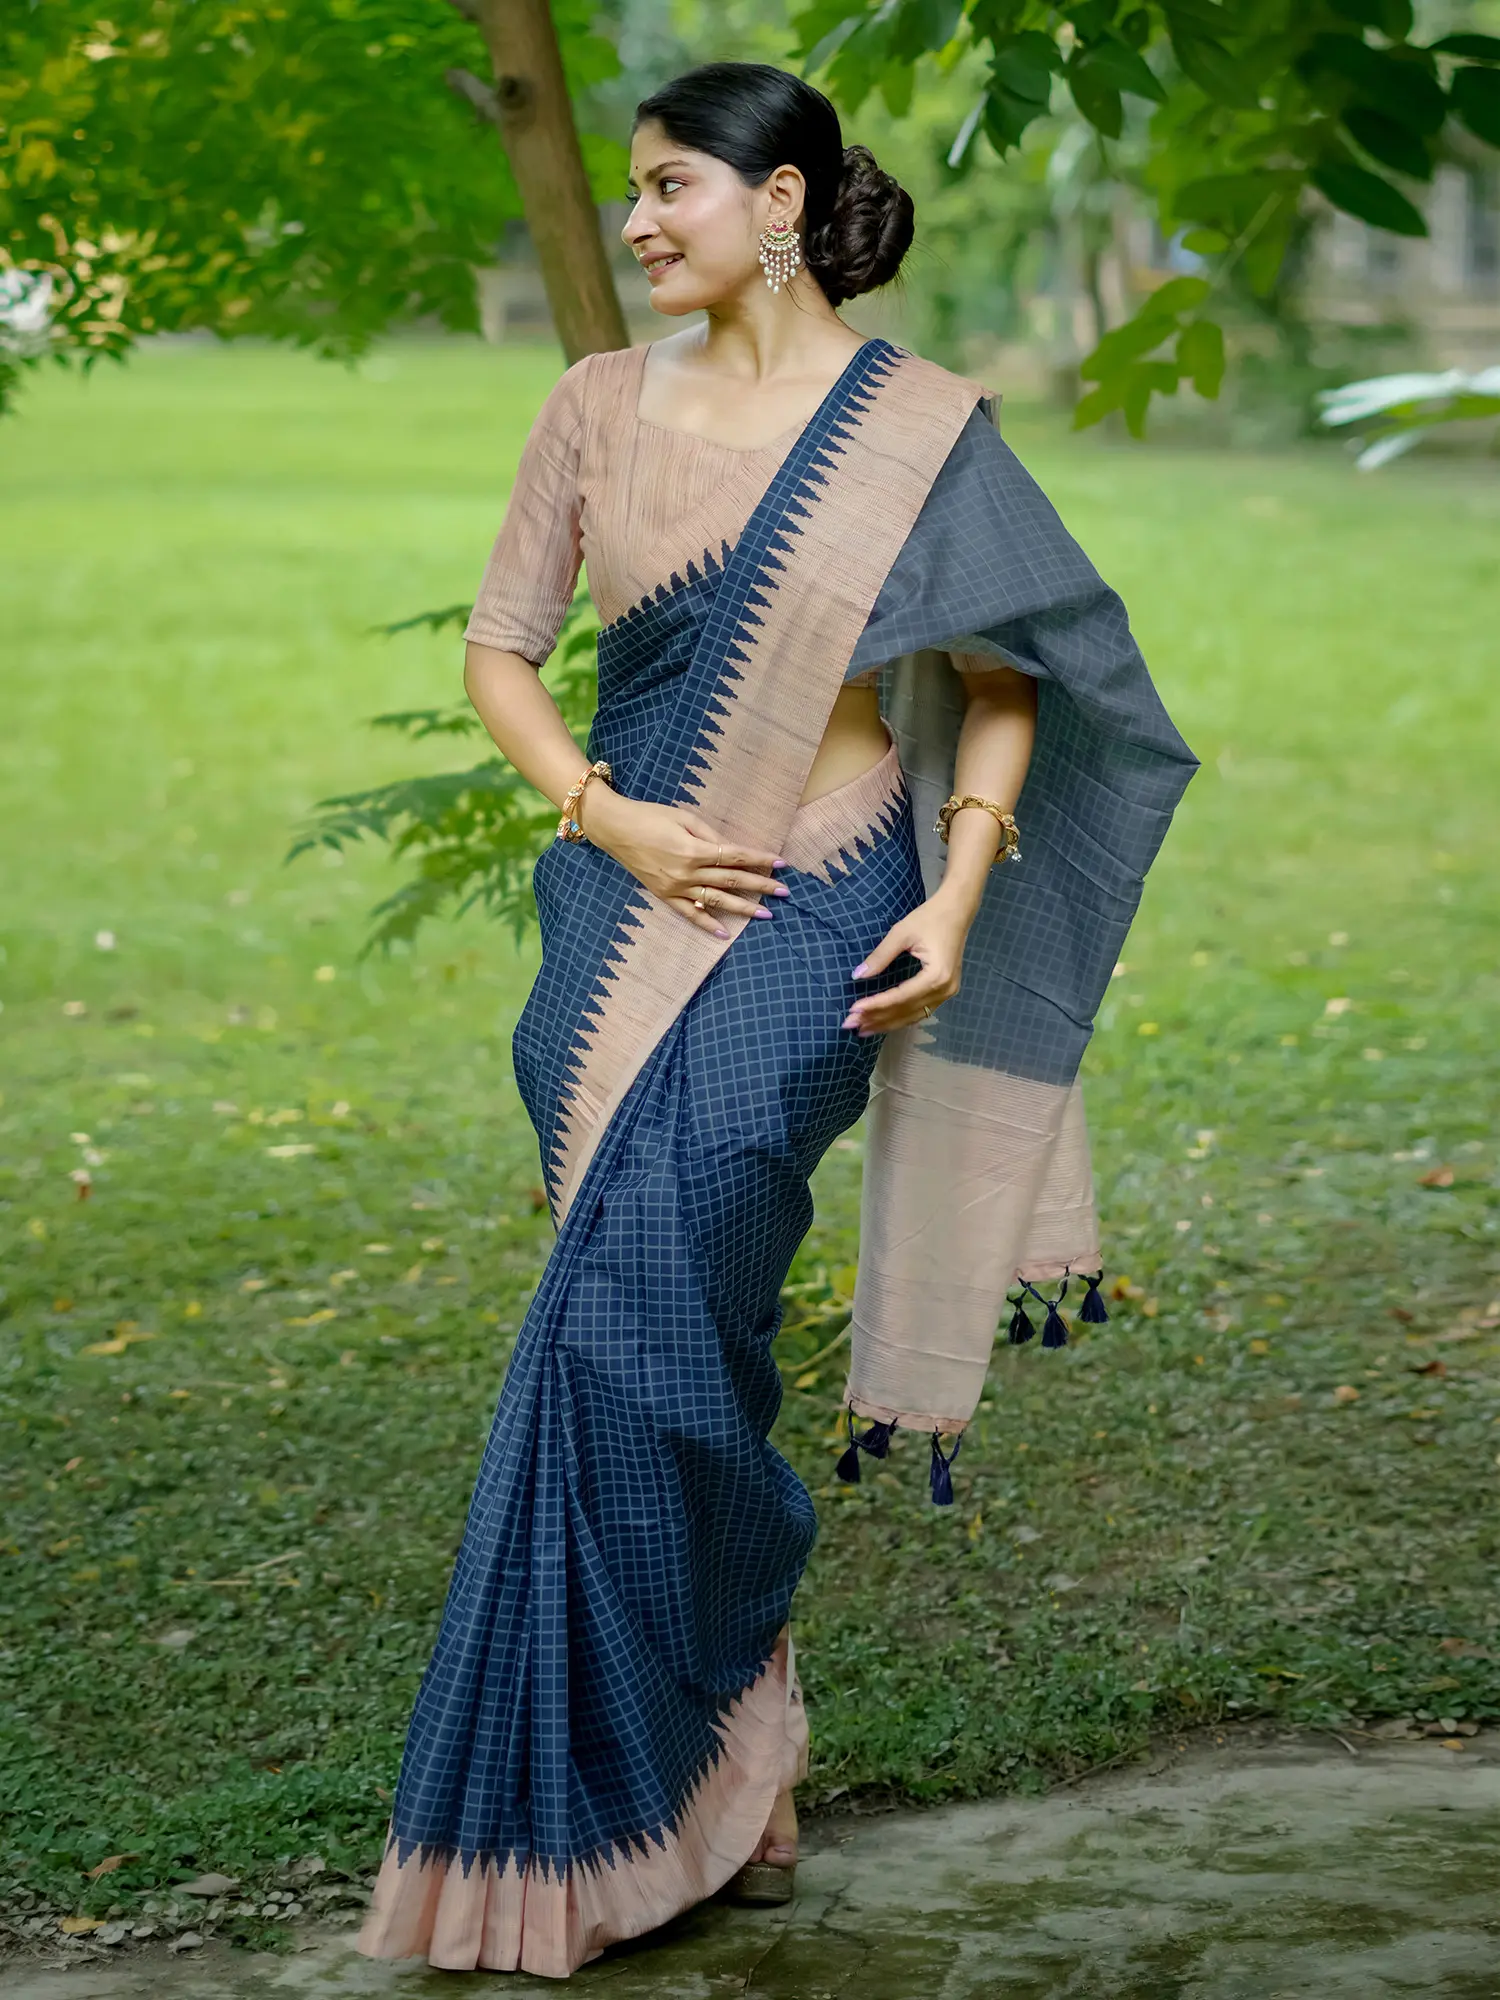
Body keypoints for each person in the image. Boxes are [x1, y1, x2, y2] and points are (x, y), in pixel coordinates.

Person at [354, 59, 1198, 1982]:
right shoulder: (595, 404)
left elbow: (1010, 680)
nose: (639, 220)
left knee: (669, 1266)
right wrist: (611, 818)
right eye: (632, 190)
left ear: (786, 200)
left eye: (674, 186)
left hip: (827, 900)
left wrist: (956, 896)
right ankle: (739, 1736)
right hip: (618, 909)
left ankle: (687, 1746)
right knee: (648, 1320)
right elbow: (502, 649)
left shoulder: (918, 429)